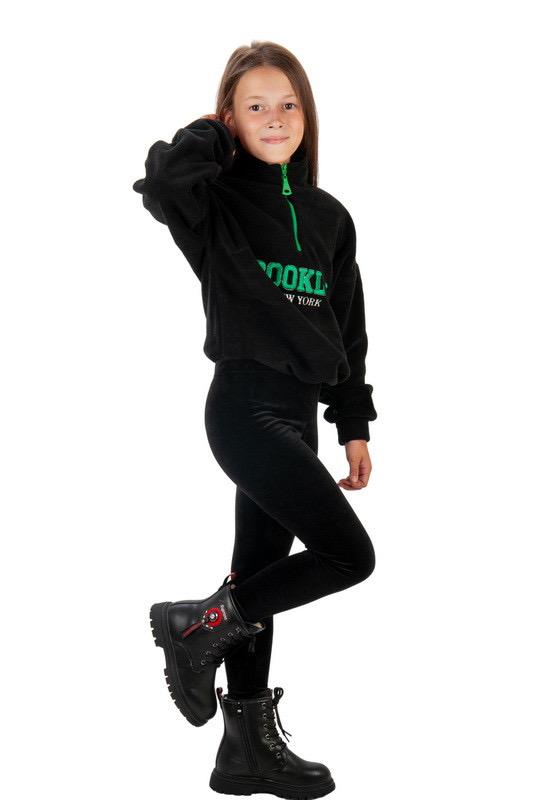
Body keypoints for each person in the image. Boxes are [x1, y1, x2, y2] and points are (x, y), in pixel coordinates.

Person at [133, 40, 378, 800]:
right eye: (255, 106)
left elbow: (347, 327)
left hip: (298, 413)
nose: (275, 118)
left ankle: (244, 751)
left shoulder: (330, 218)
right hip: (243, 409)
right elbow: (163, 180)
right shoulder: (214, 206)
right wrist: (211, 133)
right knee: (349, 556)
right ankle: (195, 626)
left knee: (260, 575)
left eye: (288, 104)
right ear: (231, 118)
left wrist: (352, 423)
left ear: (309, 115)